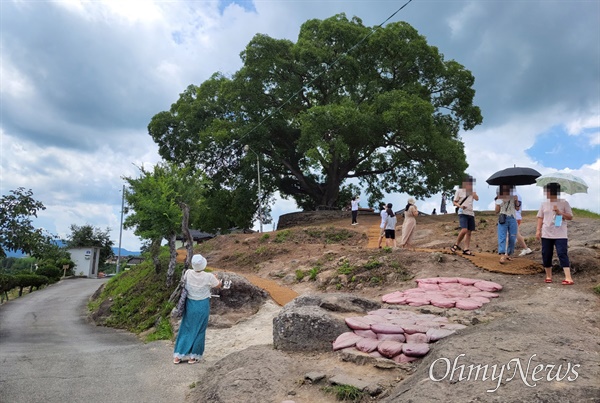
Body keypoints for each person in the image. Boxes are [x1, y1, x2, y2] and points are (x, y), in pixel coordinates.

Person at [173, 254, 222, 364]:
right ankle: (193, 357)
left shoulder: (188, 273)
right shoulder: (208, 276)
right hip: (202, 305)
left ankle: (178, 356)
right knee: (200, 330)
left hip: (190, 304)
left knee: (186, 328)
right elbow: (218, 285)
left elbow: (185, 282)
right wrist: (216, 278)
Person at [536, 183, 574, 285]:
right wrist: (538, 230)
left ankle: (568, 277)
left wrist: (559, 212)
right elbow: (540, 217)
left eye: (547, 191)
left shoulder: (564, 203)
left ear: (552, 191)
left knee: (562, 253)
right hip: (546, 233)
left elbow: (570, 217)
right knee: (546, 254)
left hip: (560, 233)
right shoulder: (544, 204)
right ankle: (548, 276)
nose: (546, 193)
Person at [450, 175, 479, 256]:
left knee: (469, 232)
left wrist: (474, 194)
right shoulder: (459, 191)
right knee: (464, 230)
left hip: (471, 213)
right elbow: (454, 202)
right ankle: (456, 244)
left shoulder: (472, 191)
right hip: (462, 212)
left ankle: (466, 248)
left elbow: (477, 198)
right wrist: (460, 206)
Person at [494, 185, 519, 264]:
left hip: (512, 217)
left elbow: (517, 208)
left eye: (507, 189)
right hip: (503, 218)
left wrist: (516, 201)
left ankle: (508, 253)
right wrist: (498, 201)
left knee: (513, 237)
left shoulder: (513, 197)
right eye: (504, 189)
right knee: (502, 236)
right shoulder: (499, 198)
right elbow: (496, 211)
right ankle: (502, 254)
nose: (505, 190)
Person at [515, 192, 533, 256]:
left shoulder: (515, 195)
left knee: (515, 233)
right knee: (514, 233)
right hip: (515, 217)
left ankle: (526, 248)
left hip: (514, 217)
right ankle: (525, 248)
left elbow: (517, 207)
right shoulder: (516, 194)